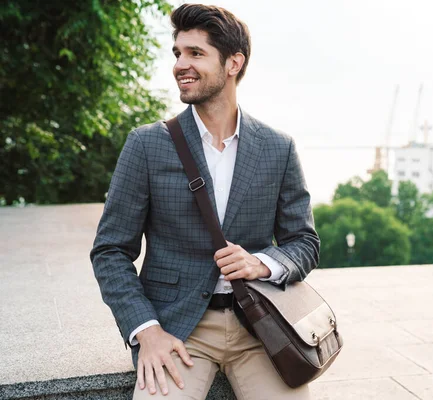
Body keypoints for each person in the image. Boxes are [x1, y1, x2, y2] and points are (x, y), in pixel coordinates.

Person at [90, 4, 319, 399]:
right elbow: (110, 251)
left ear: (234, 63)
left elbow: (305, 242)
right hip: (177, 328)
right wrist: (146, 331)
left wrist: (260, 263)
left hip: (260, 327)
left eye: (195, 53)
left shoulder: (277, 148)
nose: (181, 64)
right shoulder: (146, 145)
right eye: (177, 53)